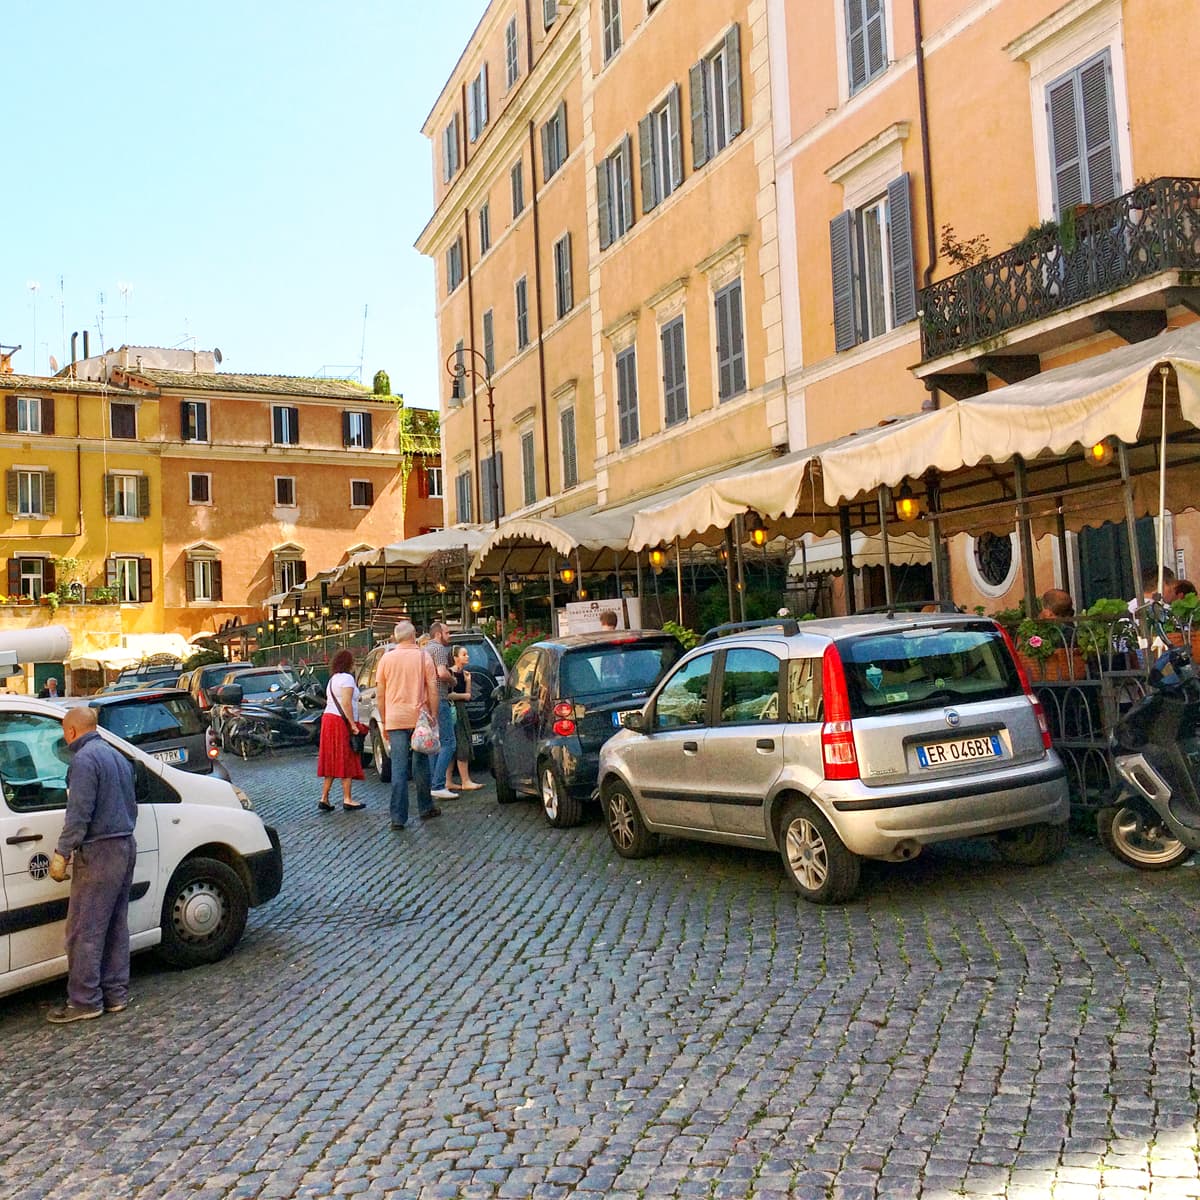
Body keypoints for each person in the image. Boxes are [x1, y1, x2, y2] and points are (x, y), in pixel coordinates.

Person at [47, 707, 138, 1023]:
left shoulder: (84, 761)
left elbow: (79, 814)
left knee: (85, 929)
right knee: (115, 925)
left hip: (99, 851)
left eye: (63, 731)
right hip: (124, 844)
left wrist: (62, 853)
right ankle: (115, 994)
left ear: (71, 731)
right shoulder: (116, 756)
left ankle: (85, 1000)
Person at [375, 621, 441, 830]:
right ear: (414, 637)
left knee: (399, 767)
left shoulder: (386, 659)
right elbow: (432, 689)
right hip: (419, 718)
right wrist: (434, 714)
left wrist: (384, 720)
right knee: (421, 764)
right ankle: (425, 806)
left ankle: (398, 817)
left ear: (395, 638)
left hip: (395, 718)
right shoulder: (424, 657)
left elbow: (380, 694)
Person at [316, 648, 366, 812]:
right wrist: (352, 724)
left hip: (328, 720)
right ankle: (347, 798)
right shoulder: (347, 679)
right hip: (340, 722)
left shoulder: (333, 679)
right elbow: (346, 703)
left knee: (331, 758)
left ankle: (324, 797)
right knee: (346, 756)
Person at [425, 621, 458, 802]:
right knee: (449, 742)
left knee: (434, 745)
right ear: (438, 634)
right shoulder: (439, 650)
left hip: (429, 701)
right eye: (447, 632)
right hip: (440, 697)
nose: (449, 636)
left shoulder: (425, 650)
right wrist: (453, 680)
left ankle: (432, 782)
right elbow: (442, 673)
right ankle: (438, 784)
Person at [445, 645, 483, 792]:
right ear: (455, 657)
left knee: (456, 744)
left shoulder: (463, 673)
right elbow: (448, 694)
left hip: (461, 709)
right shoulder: (450, 674)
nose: (467, 657)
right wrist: (463, 696)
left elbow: (468, 696)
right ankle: (465, 780)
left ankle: (449, 781)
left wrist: (468, 681)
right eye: (464, 654)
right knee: (461, 744)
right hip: (454, 710)